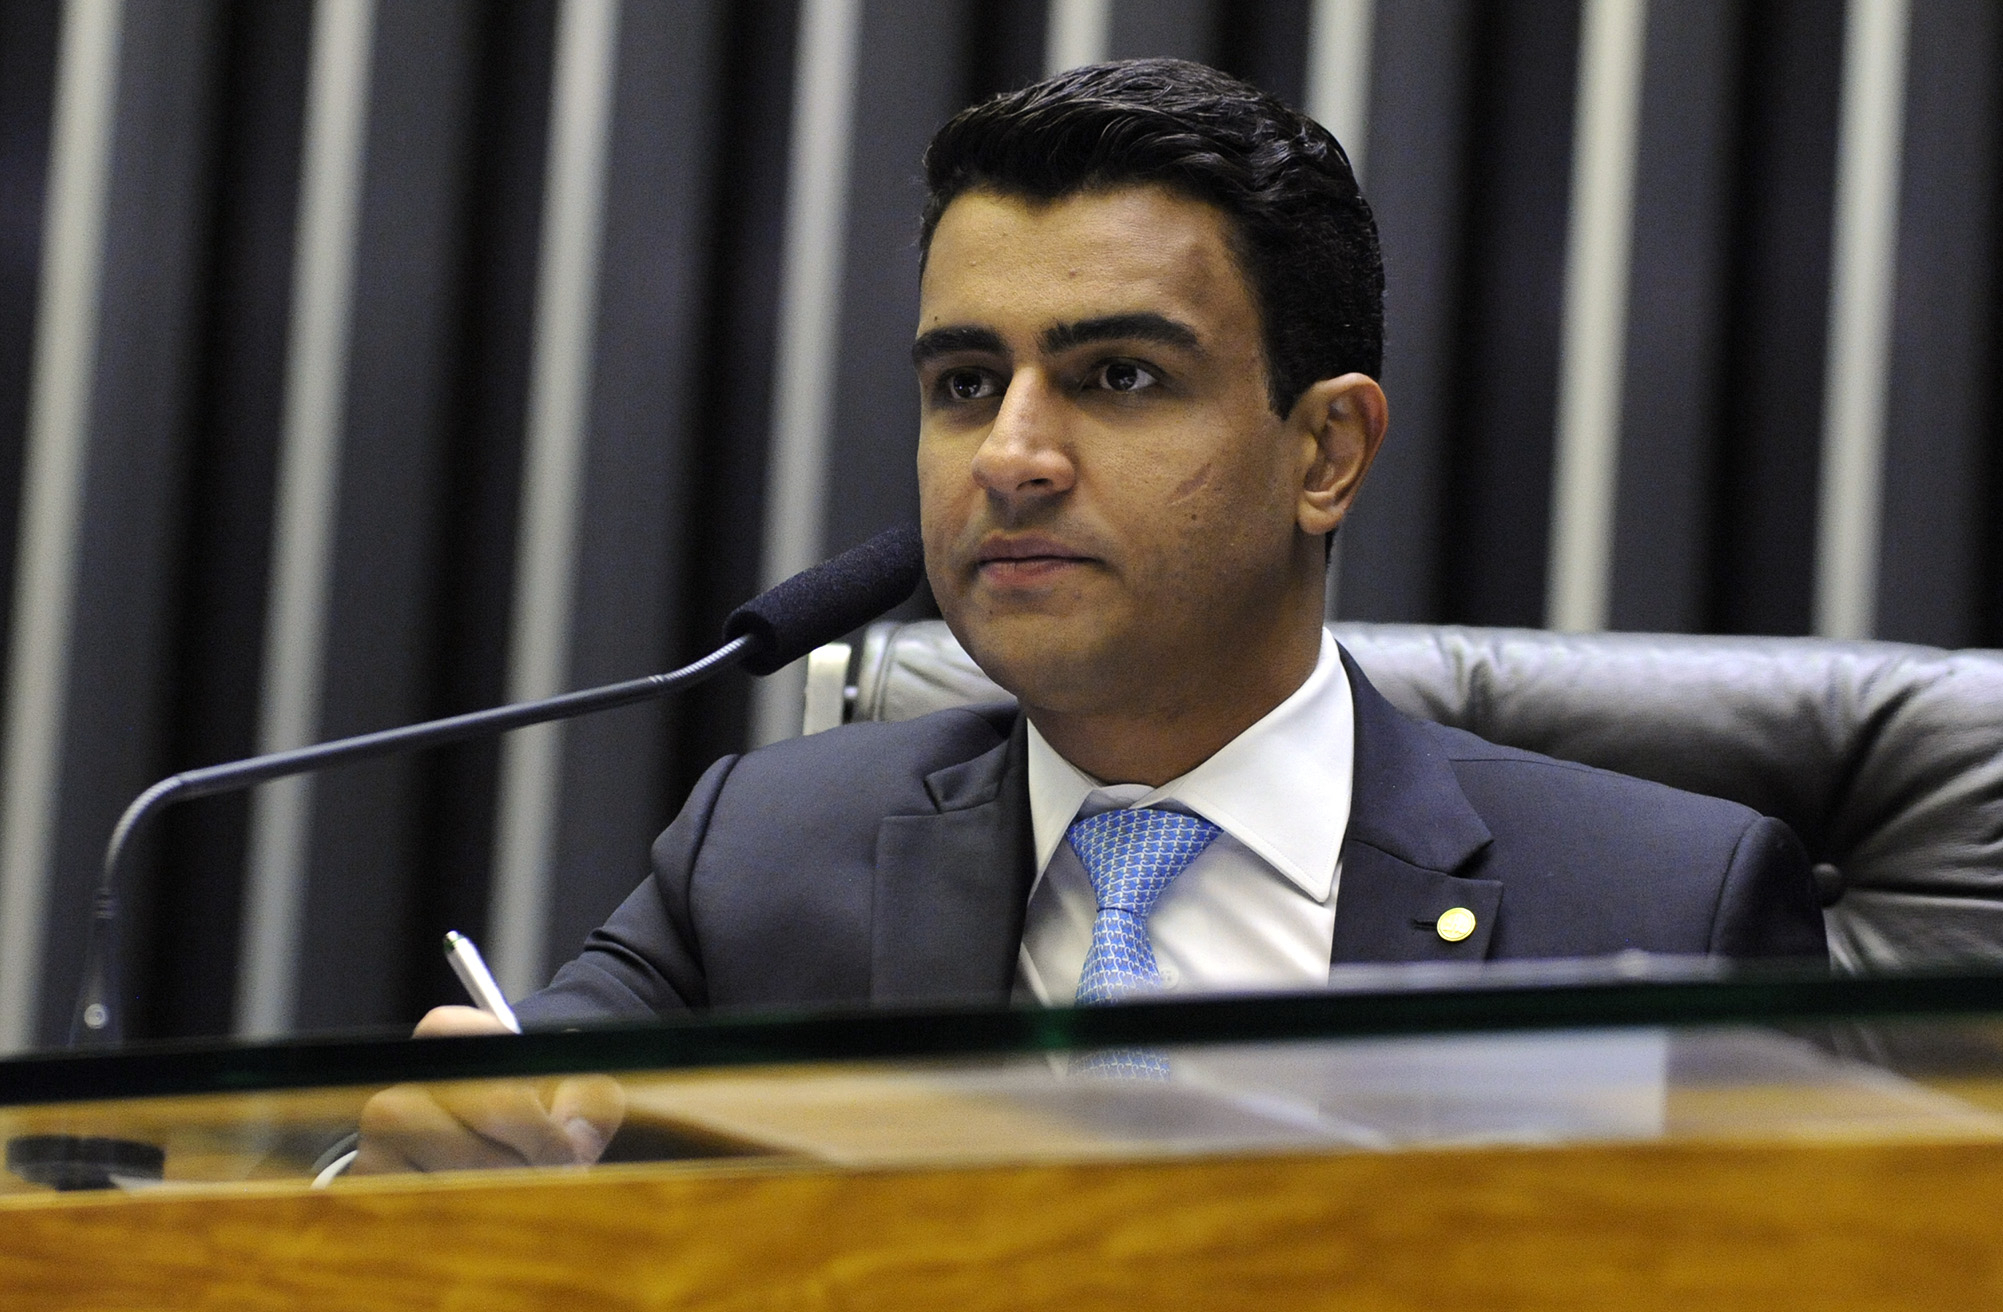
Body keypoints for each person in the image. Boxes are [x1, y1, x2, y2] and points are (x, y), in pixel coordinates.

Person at [352, 59, 1824, 1174]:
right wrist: (432, 1159)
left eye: (1119, 377)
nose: (1010, 455)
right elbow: (506, 1123)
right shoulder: (766, 856)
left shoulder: (1660, 908)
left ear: (1326, 452)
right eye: (964, 383)